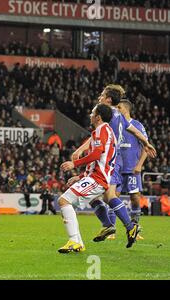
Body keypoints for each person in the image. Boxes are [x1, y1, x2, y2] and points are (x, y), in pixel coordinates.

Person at [72, 85, 155, 243]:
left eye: (102, 95)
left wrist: (80, 150)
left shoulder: (107, 115)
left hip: (108, 161)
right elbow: (135, 132)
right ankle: (116, 226)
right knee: (101, 196)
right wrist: (146, 143)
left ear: (108, 99)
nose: (99, 98)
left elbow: (98, 135)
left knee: (106, 196)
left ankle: (124, 226)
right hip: (113, 160)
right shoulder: (120, 116)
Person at [58, 104, 118, 253]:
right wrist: (80, 176)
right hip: (95, 176)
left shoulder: (101, 130)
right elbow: (97, 161)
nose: (90, 115)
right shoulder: (104, 131)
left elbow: (96, 155)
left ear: (98, 117)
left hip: (98, 179)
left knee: (64, 201)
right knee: (82, 200)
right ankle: (79, 242)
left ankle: (74, 241)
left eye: (92, 112)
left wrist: (74, 163)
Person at [107, 99, 148, 240]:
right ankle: (111, 230)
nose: (116, 109)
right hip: (116, 167)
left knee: (135, 198)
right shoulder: (114, 122)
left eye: (119, 107)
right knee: (113, 197)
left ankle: (135, 229)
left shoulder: (137, 125)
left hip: (132, 169)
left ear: (126, 109)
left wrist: (139, 165)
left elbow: (146, 146)